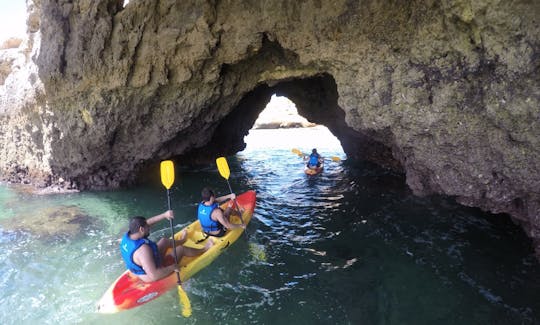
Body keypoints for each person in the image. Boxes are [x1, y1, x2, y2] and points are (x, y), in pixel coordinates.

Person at [120, 210, 211, 282]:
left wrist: (164, 215)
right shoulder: (143, 250)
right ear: (141, 229)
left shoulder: (128, 235)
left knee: (163, 241)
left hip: (142, 266)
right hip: (150, 275)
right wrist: (172, 267)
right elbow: (154, 276)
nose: (149, 228)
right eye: (147, 228)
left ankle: (183, 240)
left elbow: (147, 223)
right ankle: (204, 249)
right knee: (181, 249)